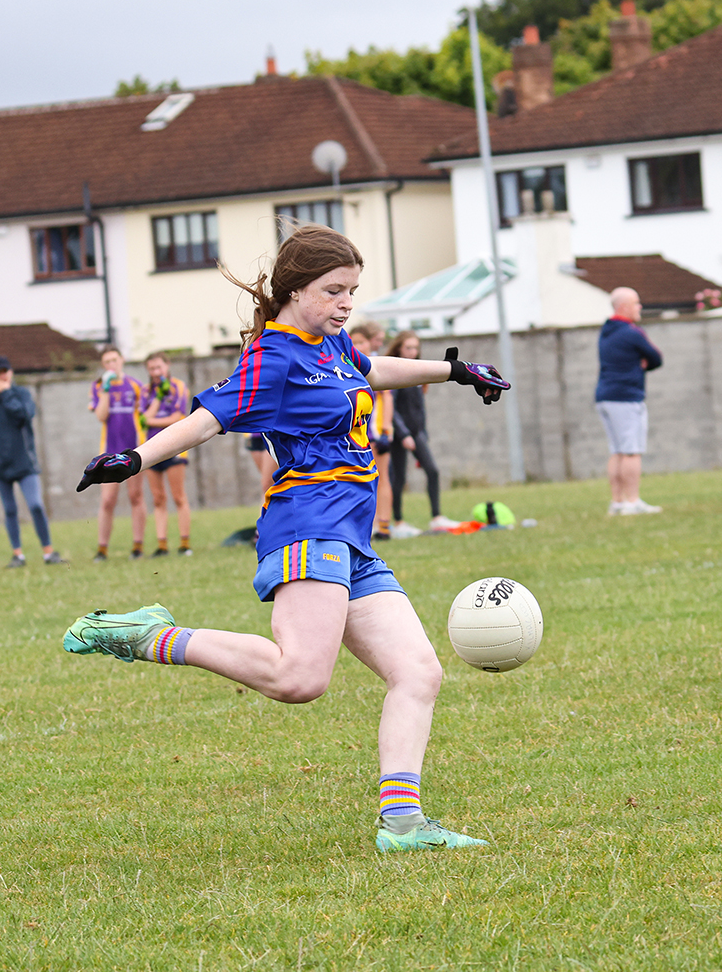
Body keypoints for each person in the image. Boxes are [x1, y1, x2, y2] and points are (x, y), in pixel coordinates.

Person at [63, 225, 508, 853]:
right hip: (307, 524)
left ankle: (402, 825)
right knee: (300, 679)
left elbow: (371, 369)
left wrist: (454, 371)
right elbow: (206, 420)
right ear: (297, 290)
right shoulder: (273, 359)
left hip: (350, 536)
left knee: (417, 671)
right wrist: (134, 457)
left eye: (353, 290)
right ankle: (148, 635)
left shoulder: (332, 344)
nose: (347, 303)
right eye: (334, 291)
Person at [0, 356, 65, 567]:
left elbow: (24, 415)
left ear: (11, 372)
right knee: (10, 510)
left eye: (6, 371)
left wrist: (6, 393)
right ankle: (18, 555)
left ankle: (49, 553)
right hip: (0, 464)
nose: (3, 375)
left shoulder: (20, 394)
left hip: (25, 462)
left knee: (36, 505)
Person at [595, 287, 663, 516]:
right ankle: (632, 503)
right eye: (636, 303)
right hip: (625, 398)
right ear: (623, 307)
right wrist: (643, 362)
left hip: (605, 397)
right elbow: (656, 357)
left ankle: (617, 502)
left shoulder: (606, 332)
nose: (640, 307)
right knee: (632, 451)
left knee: (618, 451)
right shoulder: (632, 332)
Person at [385, 331, 458, 537]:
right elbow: (392, 408)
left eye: (416, 348)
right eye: (408, 347)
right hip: (400, 435)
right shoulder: (396, 371)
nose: (413, 352)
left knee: (432, 471)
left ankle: (437, 517)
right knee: (398, 478)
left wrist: (422, 434)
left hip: (417, 433)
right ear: (399, 348)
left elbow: (420, 408)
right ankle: (398, 522)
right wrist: (404, 434)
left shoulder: (418, 373)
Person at [89, 346, 147, 560]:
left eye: (114, 360)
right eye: (107, 362)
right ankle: (102, 549)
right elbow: (101, 416)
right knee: (107, 500)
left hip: (133, 449)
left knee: (135, 495)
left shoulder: (135, 385)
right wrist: (105, 391)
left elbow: (144, 415)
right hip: (109, 451)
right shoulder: (98, 386)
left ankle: (138, 547)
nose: (111, 365)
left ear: (122, 360)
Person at [141, 352, 192, 557]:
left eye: (159, 368)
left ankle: (184, 543)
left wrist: (151, 421)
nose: (155, 372)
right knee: (158, 498)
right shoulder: (146, 391)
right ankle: (162, 544)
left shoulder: (178, 387)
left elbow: (178, 417)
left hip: (175, 447)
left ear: (167, 366)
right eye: (151, 369)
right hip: (151, 447)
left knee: (178, 496)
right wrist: (159, 398)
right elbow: (143, 418)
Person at [349, 324, 393, 540]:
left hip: (377, 433)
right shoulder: (346, 366)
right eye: (353, 342)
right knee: (361, 479)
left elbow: (388, 398)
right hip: (357, 436)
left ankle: (384, 524)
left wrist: (386, 430)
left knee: (381, 477)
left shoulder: (374, 366)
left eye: (361, 342)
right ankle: (368, 525)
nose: (357, 346)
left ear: (370, 343)